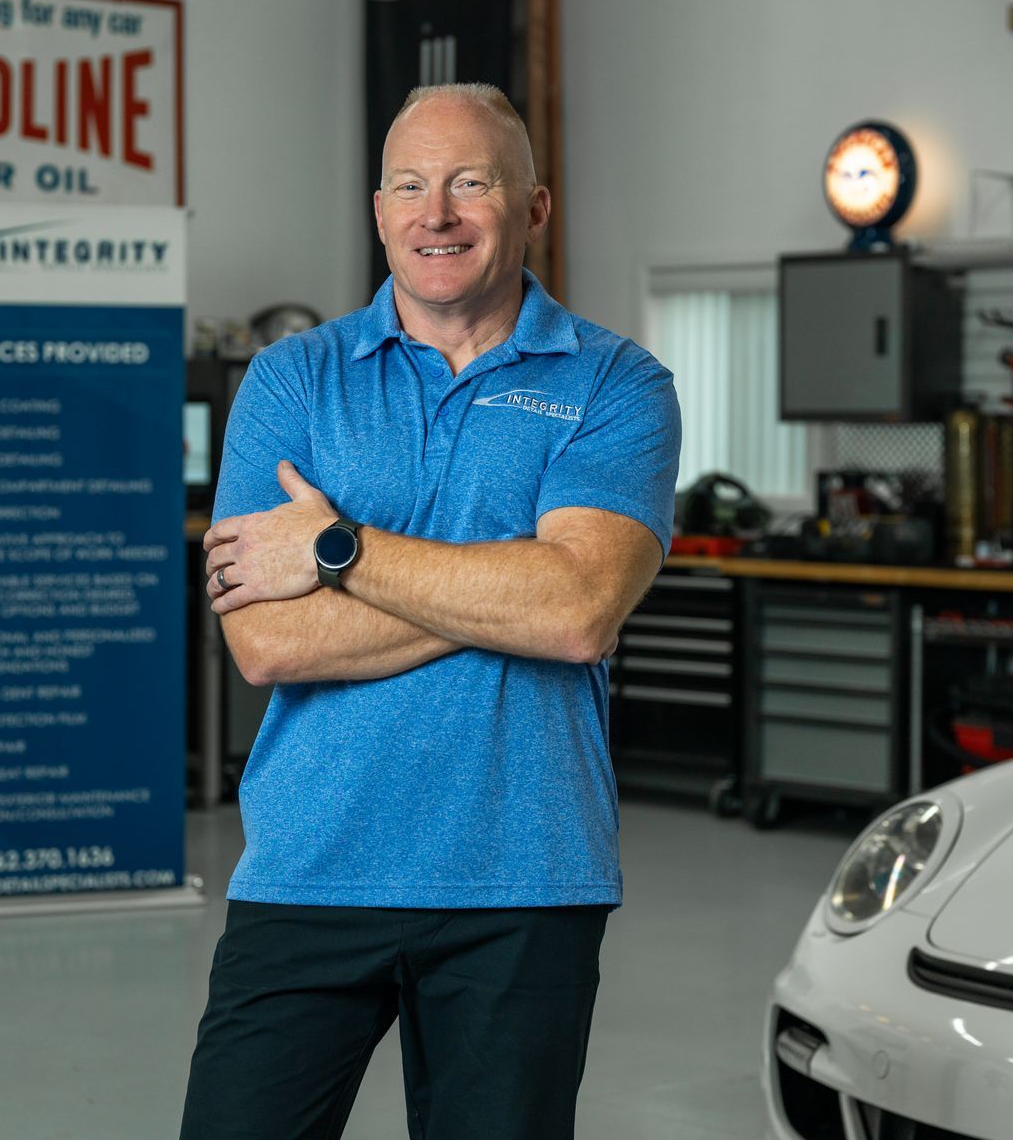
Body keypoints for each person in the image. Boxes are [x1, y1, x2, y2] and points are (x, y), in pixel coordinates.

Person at [179, 83, 681, 1140]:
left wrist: (337, 549)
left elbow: (581, 611)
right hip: (312, 861)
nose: (436, 213)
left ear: (534, 207)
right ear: (378, 209)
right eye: (410, 185)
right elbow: (265, 641)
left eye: (469, 183)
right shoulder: (293, 381)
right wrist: (514, 584)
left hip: (525, 872)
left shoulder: (617, 384)